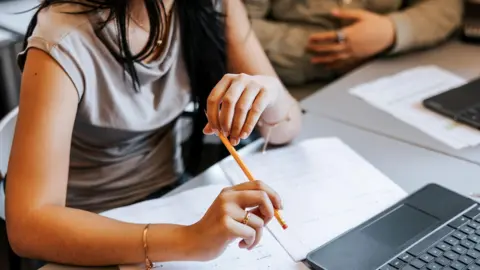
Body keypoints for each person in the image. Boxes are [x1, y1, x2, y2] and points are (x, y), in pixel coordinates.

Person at [5, 0, 302, 266]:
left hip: (173, 198)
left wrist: (270, 93)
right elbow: (29, 226)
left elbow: (286, 128)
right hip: (87, 227)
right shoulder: (63, 34)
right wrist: (188, 240)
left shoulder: (213, 4)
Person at [245, 0, 463, 86]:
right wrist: (338, 49)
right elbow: (233, 28)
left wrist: (393, 30)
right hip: (294, 89)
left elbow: (445, 5)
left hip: (386, 76)